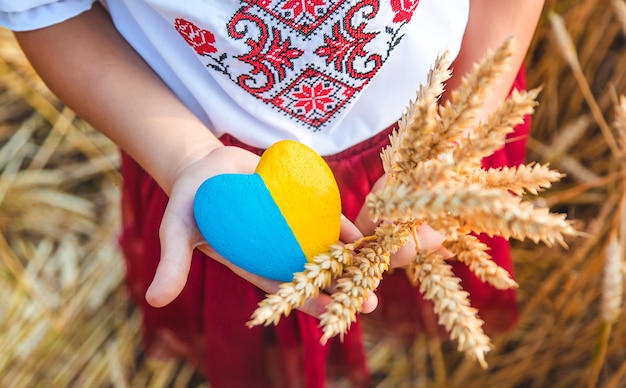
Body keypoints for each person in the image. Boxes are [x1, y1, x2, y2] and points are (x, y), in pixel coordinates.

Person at [0, 0, 544, 386]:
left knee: (413, 264)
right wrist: (184, 157)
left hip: (444, 121)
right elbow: (47, 12)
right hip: (231, 169)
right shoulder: (218, 178)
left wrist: (458, 141)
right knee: (287, 308)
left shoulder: (452, 137)